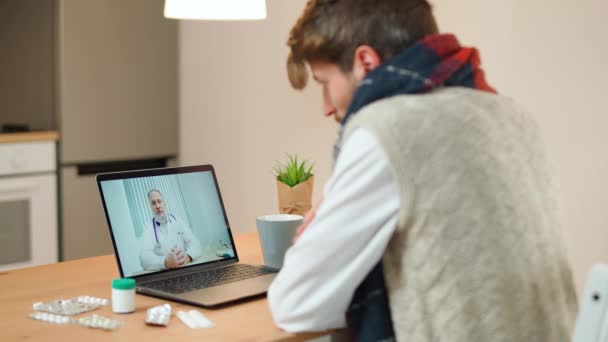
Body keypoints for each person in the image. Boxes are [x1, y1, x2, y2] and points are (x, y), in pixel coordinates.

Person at [267, 0, 578, 341]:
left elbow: (295, 303)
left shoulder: (387, 129)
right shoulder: (510, 115)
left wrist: (322, 224)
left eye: (324, 82)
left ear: (365, 63)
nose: (326, 106)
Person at [139, 189, 202, 271]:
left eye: (159, 201)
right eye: (153, 203)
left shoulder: (177, 220)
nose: (158, 206)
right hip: (165, 273)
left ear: (164, 203)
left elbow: (195, 243)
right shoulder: (148, 227)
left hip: (185, 268)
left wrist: (188, 256)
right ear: (150, 207)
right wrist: (165, 262)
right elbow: (144, 258)